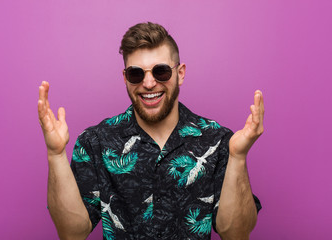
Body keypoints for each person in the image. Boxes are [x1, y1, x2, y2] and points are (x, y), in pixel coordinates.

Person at [38, 22, 264, 240]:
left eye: (161, 72)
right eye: (137, 74)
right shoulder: (95, 142)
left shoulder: (217, 140)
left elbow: (236, 234)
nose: (148, 83)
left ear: (180, 73)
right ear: (126, 79)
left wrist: (238, 157)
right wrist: (55, 155)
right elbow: (72, 234)